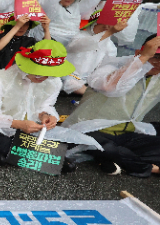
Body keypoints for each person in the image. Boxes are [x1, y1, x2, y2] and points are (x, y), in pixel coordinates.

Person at [0, 39, 80, 172]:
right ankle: (39, 156)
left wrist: (46, 115)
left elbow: (46, 105)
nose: (43, 78)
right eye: (39, 73)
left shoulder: (54, 82)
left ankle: (11, 154)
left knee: (71, 137)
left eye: (49, 74)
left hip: (32, 128)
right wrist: (17, 124)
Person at [63, 35, 160, 177]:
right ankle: (147, 167)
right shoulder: (112, 66)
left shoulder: (157, 78)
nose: (158, 63)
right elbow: (111, 87)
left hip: (126, 134)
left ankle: (112, 159)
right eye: (155, 57)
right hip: (90, 130)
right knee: (107, 147)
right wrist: (143, 59)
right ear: (138, 52)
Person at [31, 0, 108, 46]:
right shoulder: (49, 5)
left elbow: (90, 1)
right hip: (46, 41)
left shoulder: (76, 7)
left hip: (69, 45)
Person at [62, 10, 127, 95]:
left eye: (110, 24)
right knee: (69, 82)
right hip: (67, 76)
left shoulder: (110, 46)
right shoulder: (79, 35)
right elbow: (84, 44)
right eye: (102, 23)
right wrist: (109, 33)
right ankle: (90, 95)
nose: (106, 26)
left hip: (88, 81)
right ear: (93, 23)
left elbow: (106, 67)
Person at [0, 14, 50, 84]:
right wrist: (17, 26)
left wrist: (46, 29)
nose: (22, 27)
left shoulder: (29, 41)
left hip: (17, 81)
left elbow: (46, 50)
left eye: (26, 24)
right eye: (18, 24)